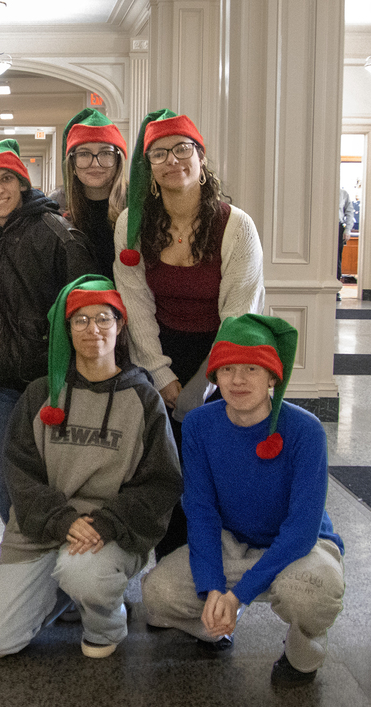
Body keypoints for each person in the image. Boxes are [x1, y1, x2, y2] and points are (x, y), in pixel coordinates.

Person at [0, 276, 181, 660]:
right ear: (66, 330)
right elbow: (19, 473)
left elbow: (160, 484)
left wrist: (106, 522)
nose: (92, 329)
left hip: (108, 532)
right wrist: (61, 520)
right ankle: (66, 593)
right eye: (80, 320)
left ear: (120, 326)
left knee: (83, 573)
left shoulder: (144, 399)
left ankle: (105, 623)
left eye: (103, 318)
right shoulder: (39, 394)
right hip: (42, 528)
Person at [141, 314, 345, 688]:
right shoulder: (200, 425)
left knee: (309, 596)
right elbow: (200, 512)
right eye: (227, 368)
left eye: (252, 368)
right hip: (233, 541)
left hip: (299, 546)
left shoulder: (305, 431)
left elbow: (301, 532)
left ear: (272, 377)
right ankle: (215, 626)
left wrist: (239, 595)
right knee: (159, 593)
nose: (237, 380)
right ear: (215, 376)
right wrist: (215, 588)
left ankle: (302, 655)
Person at [113, 109, 264, 558]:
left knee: (217, 471)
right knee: (166, 470)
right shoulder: (132, 223)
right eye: (160, 153)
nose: (172, 160)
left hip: (226, 356)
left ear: (201, 158)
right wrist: (161, 376)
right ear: (150, 170)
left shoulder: (236, 225)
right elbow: (136, 306)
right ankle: (172, 575)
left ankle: (220, 578)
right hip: (157, 351)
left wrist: (203, 385)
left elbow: (239, 314)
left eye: (183, 149)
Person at [0, 139, 96, 522]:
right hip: (8, 382)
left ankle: (63, 565)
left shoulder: (57, 234)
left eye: (6, 179)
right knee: (5, 482)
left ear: (23, 183)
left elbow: (89, 310)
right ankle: (23, 562)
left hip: (59, 379)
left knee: (62, 481)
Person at [61, 109, 129, 281]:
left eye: (106, 153)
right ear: (73, 163)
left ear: (118, 160)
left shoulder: (137, 208)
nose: (95, 163)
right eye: (84, 154)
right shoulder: (57, 213)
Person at [337, 186, 355, 286]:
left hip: (338, 227)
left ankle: (336, 287)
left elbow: (349, 212)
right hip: (321, 227)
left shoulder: (343, 193)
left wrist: (348, 230)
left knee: (337, 258)